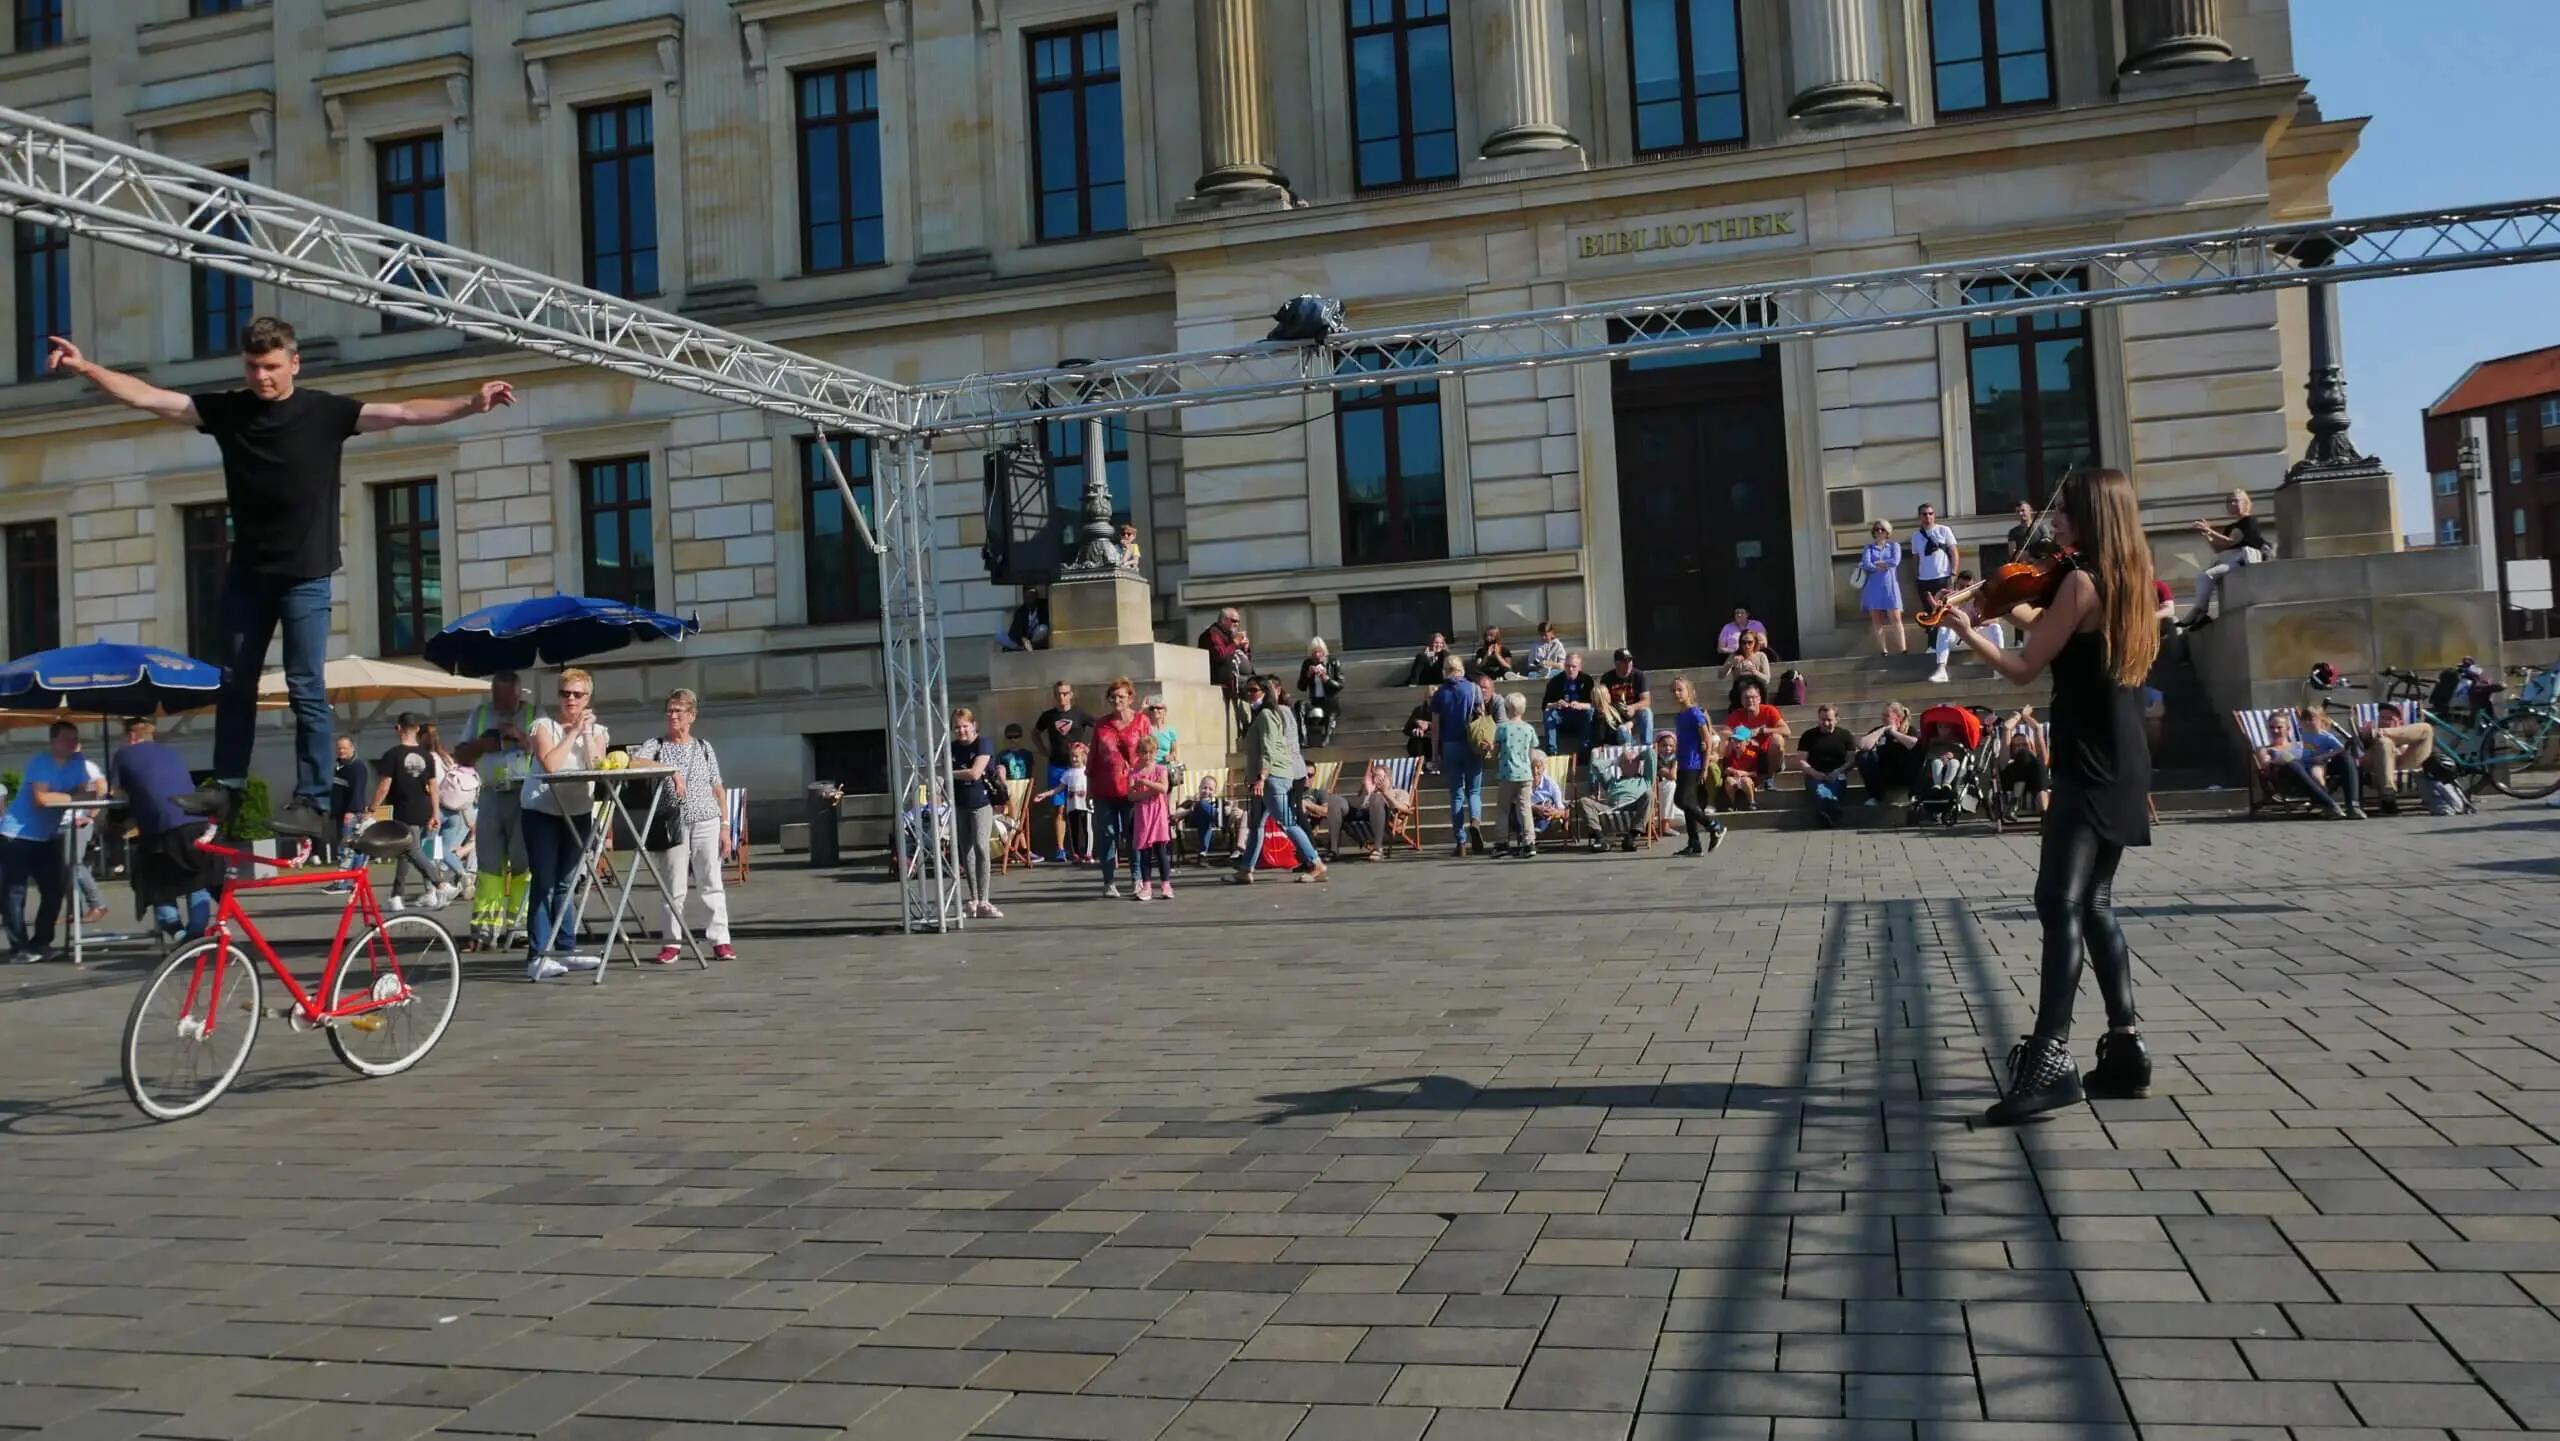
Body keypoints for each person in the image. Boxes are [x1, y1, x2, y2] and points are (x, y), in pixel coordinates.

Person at [47, 323, 511, 839]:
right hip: (248, 574)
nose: (261, 377)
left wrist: (470, 404)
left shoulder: (325, 412)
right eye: (252, 367)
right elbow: (150, 397)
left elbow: (402, 412)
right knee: (234, 681)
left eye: (270, 367)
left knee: (304, 684)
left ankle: (312, 798)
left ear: (294, 363)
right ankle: (226, 784)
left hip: (305, 576)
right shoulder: (230, 410)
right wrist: (86, 368)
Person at [1941, 466, 2160, 1125]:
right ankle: (2125, 1049)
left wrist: (1967, 631)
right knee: (2094, 901)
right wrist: (2009, 602)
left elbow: (2023, 667)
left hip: (2087, 761)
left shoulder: (2082, 581)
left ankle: (2049, 1058)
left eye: (2066, 511)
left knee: (2058, 901)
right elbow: (2054, 629)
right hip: (2122, 756)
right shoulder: (2125, 580)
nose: (2054, 519)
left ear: (2094, 516)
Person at [632, 688, 740, 958]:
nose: (672, 716)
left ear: (692, 716)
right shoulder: (657, 745)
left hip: (707, 820)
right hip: (672, 822)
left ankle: (720, 940)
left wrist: (725, 826)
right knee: (673, 884)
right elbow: (635, 763)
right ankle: (671, 942)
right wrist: (671, 772)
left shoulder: (703, 747)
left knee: (711, 880)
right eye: (669, 711)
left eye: (678, 711)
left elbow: (718, 788)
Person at [521, 667, 610, 982]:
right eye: (565, 693)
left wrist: (585, 733)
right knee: (544, 882)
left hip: (577, 811)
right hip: (542, 810)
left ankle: (566, 947)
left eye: (577, 694)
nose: (571, 699)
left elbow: (597, 766)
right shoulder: (543, 726)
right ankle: (537, 954)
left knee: (567, 883)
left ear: (588, 698)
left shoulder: (598, 731)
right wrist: (571, 733)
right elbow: (551, 764)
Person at [111, 717, 222, 945]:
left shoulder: (123, 755)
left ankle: (178, 933)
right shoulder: (170, 753)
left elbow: (116, 794)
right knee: (197, 879)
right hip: (197, 822)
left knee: (154, 881)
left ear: (132, 736)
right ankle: (196, 934)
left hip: (162, 827)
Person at [0, 722, 103, 962]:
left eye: (75, 739)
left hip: (46, 836)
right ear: (53, 741)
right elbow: (41, 799)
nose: (72, 744)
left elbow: (91, 793)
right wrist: (71, 796)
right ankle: (19, 948)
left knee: (54, 890)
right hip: (17, 835)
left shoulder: (77, 762)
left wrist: (63, 797)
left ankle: (41, 942)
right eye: (66, 738)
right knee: (15, 893)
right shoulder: (42, 761)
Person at [1229, 676, 1326, 884]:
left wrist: (1262, 777)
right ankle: (1246, 869)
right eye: (1247, 691)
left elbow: (1269, 748)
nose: (1250, 694)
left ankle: (1315, 862)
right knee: (1256, 824)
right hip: (1266, 778)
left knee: (1287, 822)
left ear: (1265, 692)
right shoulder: (1263, 714)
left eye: (1254, 690)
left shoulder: (1267, 714)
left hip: (1273, 777)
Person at [370, 713, 456, 911]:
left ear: (398, 728)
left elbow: (384, 786)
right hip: (424, 808)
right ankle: (397, 896)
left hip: (404, 809)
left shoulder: (392, 755)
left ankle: (440, 883)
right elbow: (433, 787)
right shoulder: (427, 756)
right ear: (417, 729)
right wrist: (435, 813)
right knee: (404, 851)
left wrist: (372, 808)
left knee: (412, 850)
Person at [1089, 678, 1153, 899]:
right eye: (1113, 697)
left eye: (1121, 697)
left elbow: (1150, 753)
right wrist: (1089, 786)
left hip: (1132, 789)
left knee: (1133, 834)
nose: (1117, 701)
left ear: (1130, 698)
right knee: (1107, 834)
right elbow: (1093, 757)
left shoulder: (1142, 722)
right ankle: (1109, 882)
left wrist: (1149, 780)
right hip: (1104, 787)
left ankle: (1137, 878)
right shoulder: (1101, 724)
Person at [2182, 488, 2268, 630]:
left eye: (2236, 500)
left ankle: (2199, 612)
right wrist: (2207, 535)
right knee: (2203, 577)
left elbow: (2231, 541)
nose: (2232, 504)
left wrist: (2210, 530)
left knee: (2208, 575)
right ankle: (2200, 613)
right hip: (2231, 559)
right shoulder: (2231, 526)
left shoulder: (2250, 521)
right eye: (2230, 501)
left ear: (2246, 502)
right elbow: (2219, 548)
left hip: (2242, 560)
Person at [1428, 656, 1485, 857]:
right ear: (1461, 668)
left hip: (1450, 745)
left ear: (1445, 670)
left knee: (1456, 794)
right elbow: (1481, 717)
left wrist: (1435, 754)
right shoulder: (1474, 689)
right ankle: (1475, 820)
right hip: (1471, 744)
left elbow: (1435, 728)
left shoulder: (1439, 694)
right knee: (1474, 790)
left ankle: (1461, 842)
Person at [947, 707, 1001, 920]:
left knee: (981, 846)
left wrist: (947, 773)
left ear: (974, 725)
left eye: (965, 726)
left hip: (981, 803)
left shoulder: (982, 744)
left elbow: (975, 772)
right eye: (957, 727)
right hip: (961, 803)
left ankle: (985, 898)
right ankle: (974, 899)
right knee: (966, 850)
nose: (961, 731)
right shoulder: (951, 747)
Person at [1032, 681, 1095, 863]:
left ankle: (1084, 849)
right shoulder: (1048, 716)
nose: (1062, 697)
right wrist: (1043, 750)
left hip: (1078, 768)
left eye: (1065, 693)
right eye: (1058, 693)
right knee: (1059, 808)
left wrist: (1089, 748)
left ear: (1071, 694)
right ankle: (1061, 848)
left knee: (1080, 809)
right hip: (1057, 766)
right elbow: (1035, 733)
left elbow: (1099, 726)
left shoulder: (1079, 713)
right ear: (1054, 695)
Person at [1668, 675, 1728, 856]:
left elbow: (1707, 740)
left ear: (1689, 692)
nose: (1676, 693)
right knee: (1689, 803)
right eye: (1674, 690)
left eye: (1680, 690)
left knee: (1682, 800)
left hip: (1693, 764)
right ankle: (1693, 842)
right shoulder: (1680, 716)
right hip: (1683, 763)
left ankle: (1714, 826)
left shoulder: (1695, 713)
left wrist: (1704, 767)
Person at [423, 722, 476, 897]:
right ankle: (462, 874)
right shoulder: (446, 758)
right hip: (455, 811)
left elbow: (433, 787)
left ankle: (432, 890)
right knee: (443, 850)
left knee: (429, 850)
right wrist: (468, 819)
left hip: (437, 809)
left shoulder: (426, 759)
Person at [1721, 679, 1789, 810]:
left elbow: (1786, 731)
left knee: (1777, 739)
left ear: (1759, 698)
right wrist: (1738, 734)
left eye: (1753, 697)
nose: (1750, 700)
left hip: (1767, 755)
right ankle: (1724, 778)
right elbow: (1724, 732)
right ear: (1741, 701)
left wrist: (1762, 730)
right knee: (1724, 742)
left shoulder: (1769, 710)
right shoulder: (1737, 715)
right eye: (1746, 698)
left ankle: (1769, 777)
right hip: (1747, 757)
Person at [1927, 571, 2005, 684]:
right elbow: (1938, 622)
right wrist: (1938, 601)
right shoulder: (1950, 599)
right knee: (1944, 629)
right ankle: (1941, 670)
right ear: (1956, 586)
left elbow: (1995, 620)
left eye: (1967, 587)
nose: (1964, 589)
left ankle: (2000, 668)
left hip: (1977, 638)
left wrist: (1978, 621)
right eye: (1961, 587)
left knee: (1995, 628)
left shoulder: (1981, 599)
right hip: (1959, 639)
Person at [1575, 743, 1655, 852]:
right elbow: (1595, 766)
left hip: (1633, 805)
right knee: (1584, 801)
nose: (1630, 763)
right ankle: (1600, 839)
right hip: (1611, 807)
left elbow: (1651, 753)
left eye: (1634, 761)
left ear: (1639, 763)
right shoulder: (1612, 781)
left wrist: (1638, 756)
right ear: (1620, 765)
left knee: (1649, 794)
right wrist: (1615, 761)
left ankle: (1631, 837)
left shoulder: (1646, 780)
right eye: (1626, 761)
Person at [1490, 693, 1539, 858]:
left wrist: (1490, 749)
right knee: (1525, 808)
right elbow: (1532, 754)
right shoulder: (1529, 729)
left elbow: (1495, 753)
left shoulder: (1502, 729)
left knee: (1503, 809)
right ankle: (1529, 842)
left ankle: (1502, 842)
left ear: (1508, 708)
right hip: (1525, 774)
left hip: (1507, 773)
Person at [2297, 703, 2365, 820]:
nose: (2307, 722)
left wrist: (2324, 756)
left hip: (2319, 762)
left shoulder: (2325, 736)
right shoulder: (2302, 733)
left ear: (2321, 721)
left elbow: (2341, 749)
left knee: (2316, 775)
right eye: (2305, 720)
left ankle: (2328, 802)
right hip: (2303, 762)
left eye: (2311, 719)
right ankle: (2326, 802)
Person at [2363, 702, 2433, 811]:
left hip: (2407, 765)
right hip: (2380, 769)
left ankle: (2378, 733)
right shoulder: (2368, 739)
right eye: (2382, 718)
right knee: (2384, 742)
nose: (2385, 721)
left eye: (2390, 719)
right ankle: (2388, 796)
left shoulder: (2410, 735)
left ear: (2400, 723)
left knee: (2426, 728)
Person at [1798, 704, 1857, 828]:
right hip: (1815, 775)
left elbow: (1851, 760)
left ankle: (1826, 812)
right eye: (1822, 720)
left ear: (1837, 719)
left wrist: (1838, 771)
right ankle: (1832, 811)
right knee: (1820, 791)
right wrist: (1815, 773)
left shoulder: (1846, 736)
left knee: (1833, 790)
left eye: (1829, 720)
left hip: (1837, 774)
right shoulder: (1808, 736)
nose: (1825, 723)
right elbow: (1802, 761)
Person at [325, 732, 372, 886]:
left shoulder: (357, 767)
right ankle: (356, 881)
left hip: (351, 814)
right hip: (340, 813)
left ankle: (342, 882)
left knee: (347, 849)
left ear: (352, 748)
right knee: (352, 848)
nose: (341, 751)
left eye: (345, 748)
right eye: (339, 748)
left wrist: (351, 812)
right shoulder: (339, 766)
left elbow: (358, 791)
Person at [1128, 748, 1175, 901]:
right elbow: (1131, 796)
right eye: (1144, 752)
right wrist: (1151, 791)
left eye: (1150, 752)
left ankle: (1166, 885)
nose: (1147, 755)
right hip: (1143, 815)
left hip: (1158, 814)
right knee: (1144, 853)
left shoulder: (1161, 769)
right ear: (1139, 753)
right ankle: (1146, 886)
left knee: (1161, 851)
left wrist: (1145, 782)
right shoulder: (1134, 772)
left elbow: (1164, 788)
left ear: (1155, 753)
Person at [1034, 742, 1093, 862]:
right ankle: (1076, 853)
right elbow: (1058, 789)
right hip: (1072, 806)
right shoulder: (1068, 773)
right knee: (1074, 830)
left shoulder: (1087, 771)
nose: (1074, 759)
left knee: (1087, 829)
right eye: (1072, 756)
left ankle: (1088, 853)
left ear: (1083, 756)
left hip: (1085, 806)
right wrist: (1044, 795)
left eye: (1076, 756)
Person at [1911, 502, 1960, 645]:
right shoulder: (1916, 536)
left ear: (1934, 515)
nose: (1927, 517)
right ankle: (1932, 644)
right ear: (1920, 517)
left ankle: (1946, 644)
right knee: (1928, 613)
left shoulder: (1944, 530)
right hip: (1924, 580)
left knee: (1944, 612)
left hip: (1943, 578)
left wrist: (1953, 573)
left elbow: (1954, 552)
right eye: (1924, 514)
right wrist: (1917, 576)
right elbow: (1916, 558)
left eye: (1930, 513)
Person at [1857, 702, 1923, 805]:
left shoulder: (1909, 730)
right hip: (1884, 774)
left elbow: (1915, 744)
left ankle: (1914, 794)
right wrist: (1882, 730)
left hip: (1904, 773)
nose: (1883, 718)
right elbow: (1862, 745)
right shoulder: (1879, 730)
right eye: (1882, 715)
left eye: (1887, 716)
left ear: (1899, 717)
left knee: (1917, 753)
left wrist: (1894, 733)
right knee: (1863, 756)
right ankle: (1876, 796)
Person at [1199, 608, 1251, 736]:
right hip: (1226, 679)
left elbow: (1243, 659)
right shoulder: (1212, 633)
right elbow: (1220, 655)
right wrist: (1235, 642)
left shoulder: (1229, 635)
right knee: (1255, 691)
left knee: (1262, 687)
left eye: (1238, 621)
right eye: (1234, 621)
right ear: (1224, 620)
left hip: (1241, 677)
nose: (1237, 624)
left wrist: (1245, 648)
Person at [1860, 519, 1906, 654]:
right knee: (1877, 620)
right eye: (1877, 529)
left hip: (1890, 586)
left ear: (1887, 532)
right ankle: (1883, 650)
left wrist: (1878, 563)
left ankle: (1903, 649)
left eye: (1882, 529)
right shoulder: (1868, 548)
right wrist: (1880, 566)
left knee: (1896, 618)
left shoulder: (1894, 546)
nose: (1879, 532)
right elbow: (1867, 564)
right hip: (1874, 587)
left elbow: (1895, 561)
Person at [1998, 706, 2052, 818]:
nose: (2021, 748)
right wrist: (2017, 717)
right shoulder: (2008, 761)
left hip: (2035, 781)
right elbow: (2007, 728)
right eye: (2016, 746)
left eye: (2024, 745)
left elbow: (2037, 728)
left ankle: (2043, 815)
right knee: (2025, 755)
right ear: (2011, 749)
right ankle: (2045, 814)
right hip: (2011, 781)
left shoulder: (2037, 764)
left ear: (2031, 746)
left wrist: (2026, 716)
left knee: (2039, 766)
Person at [1543, 652, 1597, 756]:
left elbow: (1595, 704)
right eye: (1567, 666)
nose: (1570, 669)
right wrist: (1555, 704)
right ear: (1564, 666)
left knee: (1590, 712)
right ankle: (1552, 751)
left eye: (1574, 666)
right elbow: (1545, 705)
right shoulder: (1555, 681)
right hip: (1562, 718)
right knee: (1549, 714)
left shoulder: (1587, 680)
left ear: (1580, 667)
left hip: (1580, 718)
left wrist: (1581, 705)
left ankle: (1585, 748)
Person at [1598, 648, 1655, 745]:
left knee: (1646, 712)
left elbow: (1646, 701)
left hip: (1635, 716)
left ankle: (1647, 746)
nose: (1629, 664)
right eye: (1625, 662)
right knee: (1620, 730)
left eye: (1630, 661)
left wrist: (1633, 707)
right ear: (1617, 663)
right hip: (1618, 718)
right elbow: (1604, 702)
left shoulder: (1638, 675)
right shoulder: (1607, 678)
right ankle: (1631, 748)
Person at [1298, 639, 1344, 749]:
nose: (1317, 655)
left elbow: (1340, 685)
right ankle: (1303, 739)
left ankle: (1325, 738)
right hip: (1315, 701)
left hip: (1329, 701)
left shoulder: (1333, 662)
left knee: (1331, 705)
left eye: (1320, 652)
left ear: (1324, 652)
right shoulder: (1307, 664)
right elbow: (1301, 687)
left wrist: (1326, 679)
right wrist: (1308, 675)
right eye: (1314, 653)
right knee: (1300, 705)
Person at [1721, 630, 1772, 709]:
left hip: (1757, 684)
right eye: (1744, 642)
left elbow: (1766, 679)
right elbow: (1721, 675)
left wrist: (1754, 672)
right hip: (1740, 686)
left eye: (1750, 642)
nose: (1747, 645)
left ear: (1755, 642)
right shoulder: (1735, 656)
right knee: (1741, 686)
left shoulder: (1761, 656)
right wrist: (1730, 664)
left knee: (1761, 689)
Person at [1527, 751, 1570, 840]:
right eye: (1532, 767)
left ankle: (1536, 830)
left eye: (1538, 767)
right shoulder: (1524, 784)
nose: (1535, 771)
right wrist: (1535, 808)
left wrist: (1554, 812)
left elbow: (1560, 806)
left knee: (1547, 806)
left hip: (1545, 811)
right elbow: (1518, 803)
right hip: (1528, 811)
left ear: (1543, 768)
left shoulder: (1550, 783)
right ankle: (1532, 831)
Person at [1000, 585, 1050, 652]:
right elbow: (1014, 631)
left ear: (1036, 595)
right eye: (1026, 596)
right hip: (1023, 640)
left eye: (1031, 595)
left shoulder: (1044, 606)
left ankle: (1031, 646)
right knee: (1000, 636)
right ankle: (1022, 648)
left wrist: (1031, 642)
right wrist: (1023, 639)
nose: (1029, 599)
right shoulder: (1020, 612)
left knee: (1043, 629)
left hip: (1037, 638)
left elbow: (1046, 623)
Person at [1142, 698, 1179, 769]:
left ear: (1165, 712)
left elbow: (1174, 752)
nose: (1155, 710)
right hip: (1150, 768)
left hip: (1165, 768)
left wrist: (1170, 757)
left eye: (1158, 708)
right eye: (1152, 708)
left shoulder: (1170, 731)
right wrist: (1142, 710)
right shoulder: (1146, 729)